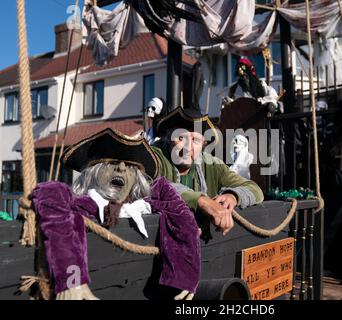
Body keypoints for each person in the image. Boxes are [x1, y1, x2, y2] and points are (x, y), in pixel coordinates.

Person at [31, 128, 200, 300]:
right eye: (112, 163)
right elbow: (50, 191)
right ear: (94, 173)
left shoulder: (143, 205)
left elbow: (174, 205)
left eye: (129, 167)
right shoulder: (76, 205)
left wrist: (185, 274)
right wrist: (71, 280)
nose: (121, 168)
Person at [152, 107, 264, 236]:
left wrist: (233, 196)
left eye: (196, 140)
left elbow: (255, 190)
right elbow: (154, 185)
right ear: (169, 138)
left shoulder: (212, 165)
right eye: (181, 138)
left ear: (204, 144)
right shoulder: (154, 157)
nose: (188, 148)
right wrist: (202, 201)